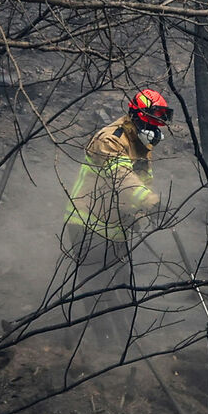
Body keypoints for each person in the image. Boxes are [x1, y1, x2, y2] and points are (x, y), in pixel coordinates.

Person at [59, 88, 172, 352]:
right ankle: (106, 348)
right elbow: (121, 180)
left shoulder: (141, 146)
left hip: (115, 229)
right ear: (137, 116)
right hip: (88, 224)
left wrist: (142, 214)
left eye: (158, 123)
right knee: (95, 287)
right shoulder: (110, 140)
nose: (155, 128)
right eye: (152, 121)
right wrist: (151, 203)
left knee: (122, 286)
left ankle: (127, 343)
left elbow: (139, 184)